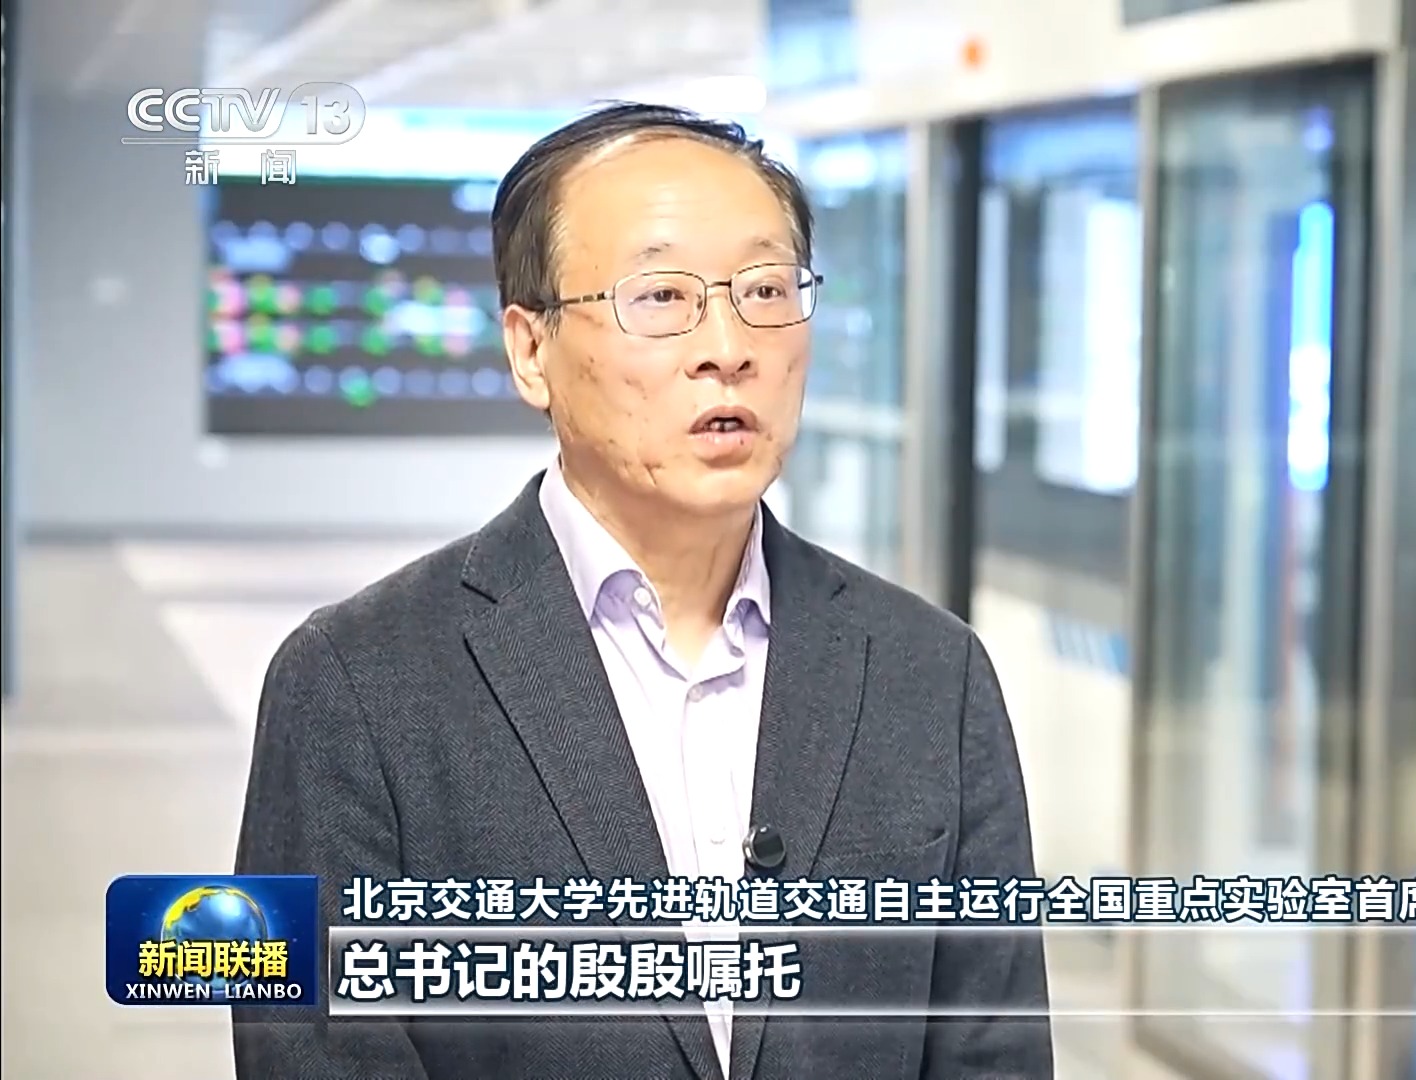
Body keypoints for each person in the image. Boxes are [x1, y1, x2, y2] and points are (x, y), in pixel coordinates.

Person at [232, 103, 1052, 1080]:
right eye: (661, 296)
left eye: (765, 289)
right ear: (530, 349)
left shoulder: (931, 673)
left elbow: (995, 1053)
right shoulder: (357, 683)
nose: (728, 346)